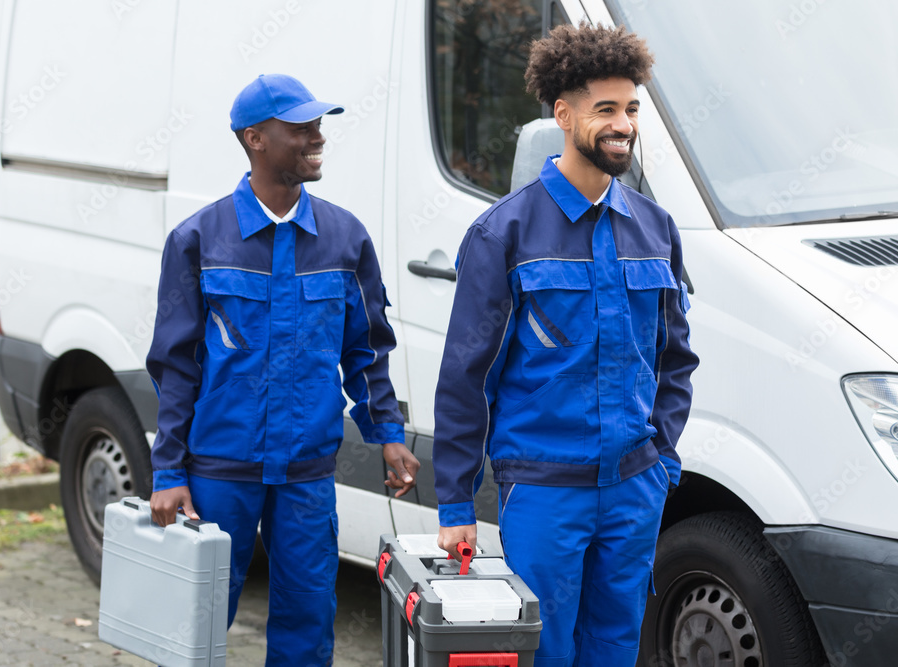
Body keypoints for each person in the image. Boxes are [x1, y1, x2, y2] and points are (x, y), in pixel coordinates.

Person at [432, 24, 699, 666]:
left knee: (613, 647)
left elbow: (676, 358)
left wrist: (660, 457)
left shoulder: (656, 228)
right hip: (546, 492)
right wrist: (455, 502)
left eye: (631, 108)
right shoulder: (504, 233)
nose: (624, 124)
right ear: (563, 113)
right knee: (544, 651)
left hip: (634, 489)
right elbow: (467, 377)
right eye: (605, 109)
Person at [146, 73, 419, 666]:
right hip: (220, 471)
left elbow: (366, 348)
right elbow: (176, 368)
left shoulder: (346, 239)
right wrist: (168, 471)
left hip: (307, 475)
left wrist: (389, 434)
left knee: (308, 621)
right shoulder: (198, 240)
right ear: (255, 139)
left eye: (319, 125)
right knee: (191, 626)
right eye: (300, 128)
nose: (316, 137)